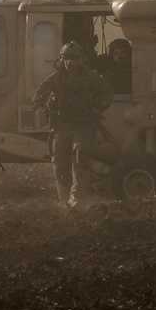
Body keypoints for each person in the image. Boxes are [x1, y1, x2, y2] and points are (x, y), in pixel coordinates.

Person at [33, 41, 112, 208]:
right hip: (62, 126)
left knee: (80, 158)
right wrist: (44, 107)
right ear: (61, 59)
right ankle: (64, 201)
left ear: (81, 59)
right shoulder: (55, 79)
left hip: (83, 125)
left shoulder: (91, 77)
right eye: (66, 58)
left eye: (74, 58)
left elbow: (106, 94)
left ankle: (78, 200)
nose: (70, 62)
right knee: (60, 162)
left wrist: (97, 107)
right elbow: (38, 97)